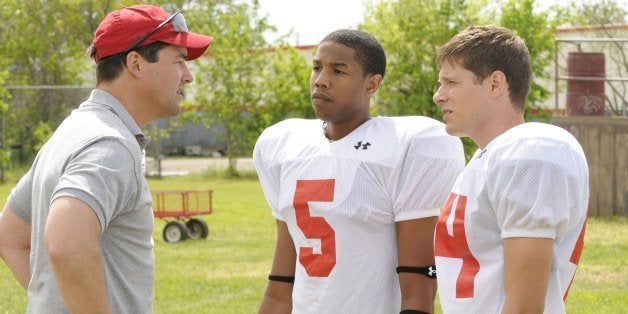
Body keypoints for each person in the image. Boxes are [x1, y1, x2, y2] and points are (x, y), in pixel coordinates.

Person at [0, 5, 212, 313]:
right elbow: (66, 242)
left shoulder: (71, 131)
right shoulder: (109, 143)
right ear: (136, 64)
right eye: (179, 61)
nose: (188, 76)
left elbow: (9, 235)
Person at [254, 29, 465, 313]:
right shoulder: (283, 145)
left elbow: (418, 288)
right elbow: (281, 283)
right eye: (317, 68)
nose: (321, 80)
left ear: (372, 85)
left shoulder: (409, 145)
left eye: (338, 71)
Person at [432, 25, 589, 313]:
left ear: (495, 84)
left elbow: (524, 308)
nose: (438, 96)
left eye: (451, 82)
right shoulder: (487, 157)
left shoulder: (530, 151)